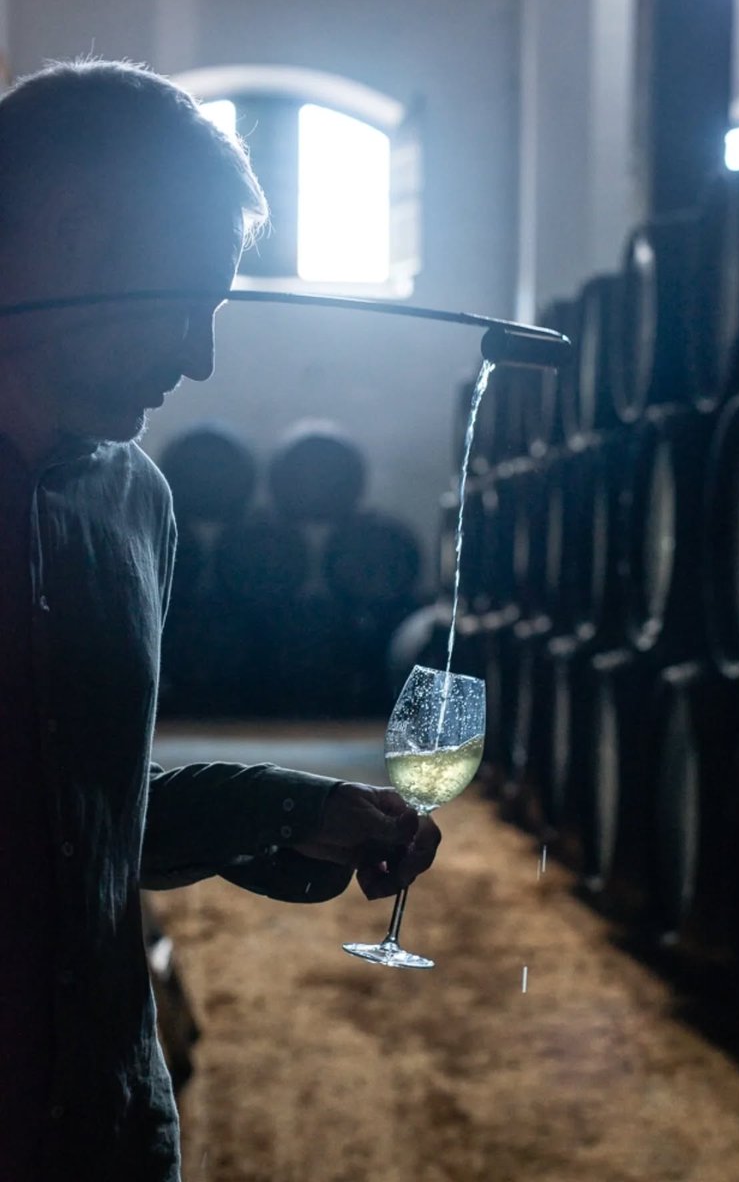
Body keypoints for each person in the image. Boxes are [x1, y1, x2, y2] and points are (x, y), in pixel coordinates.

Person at [0, 57, 441, 1181]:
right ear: (70, 233)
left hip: (105, 1125)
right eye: (183, 304)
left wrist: (294, 808)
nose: (199, 360)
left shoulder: (136, 502)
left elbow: (87, 817)